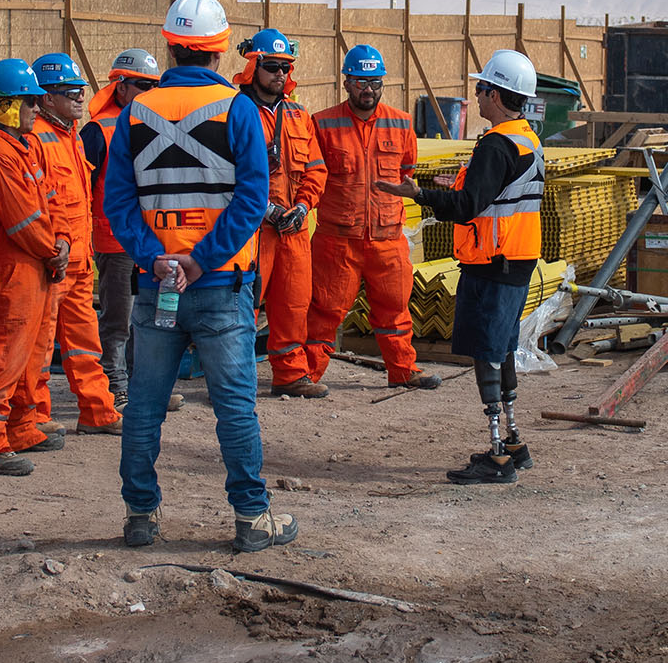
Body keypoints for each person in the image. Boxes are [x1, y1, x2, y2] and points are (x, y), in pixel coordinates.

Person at [103, 0, 297, 552]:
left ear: (169, 46)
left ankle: (141, 516)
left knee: (143, 406)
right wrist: (200, 259)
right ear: (219, 51)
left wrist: (155, 258)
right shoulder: (237, 110)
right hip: (219, 286)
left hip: (157, 286)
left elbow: (117, 202)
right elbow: (252, 200)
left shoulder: (135, 113)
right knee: (235, 407)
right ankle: (251, 520)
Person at [377, 50, 545, 485]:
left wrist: (416, 195)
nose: (476, 94)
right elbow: (495, 194)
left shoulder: (495, 144)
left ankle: (497, 456)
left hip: (491, 262)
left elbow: (471, 206)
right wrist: (448, 187)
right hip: (518, 259)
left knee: (486, 353)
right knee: (503, 348)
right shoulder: (527, 138)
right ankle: (512, 440)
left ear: (495, 94)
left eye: (480, 88)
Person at [302, 45, 440, 391]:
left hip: (388, 239)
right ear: (347, 82)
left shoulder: (401, 122)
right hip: (337, 239)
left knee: (394, 309)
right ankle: (306, 376)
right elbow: (314, 175)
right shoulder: (322, 124)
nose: (369, 90)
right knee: (324, 311)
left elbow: (407, 170)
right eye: (362, 82)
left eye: (376, 83)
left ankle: (403, 371)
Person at [0, 58, 65, 477]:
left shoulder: (23, 147)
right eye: (28, 103)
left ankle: (21, 428)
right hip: (15, 269)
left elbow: (51, 201)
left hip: (37, 267)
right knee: (3, 356)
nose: (36, 110)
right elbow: (21, 219)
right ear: (4, 105)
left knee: (33, 356)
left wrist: (61, 241)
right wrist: (51, 248)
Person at [231, 29, 327, 398]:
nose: (279, 75)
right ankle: (235, 381)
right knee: (243, 307)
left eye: (285, 67)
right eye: (271, 67)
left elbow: (316, 169)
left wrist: (303, 205)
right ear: (252, 66)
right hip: (250, 230)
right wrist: (266, 209)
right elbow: (228, 174)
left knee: (293, 304)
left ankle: (289, 374)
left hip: (293, 230)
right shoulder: (234, 111)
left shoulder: (300, 116)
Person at [30, 52, 121, 435]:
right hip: (49, 263)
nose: (81, 98)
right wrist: (53, 250)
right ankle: (34, 418)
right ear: (47, 98)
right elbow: (34, 205)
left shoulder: (72, 137)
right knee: (38, 347)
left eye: (81, 91)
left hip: (80, 262)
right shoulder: (34, 139)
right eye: (71, 92)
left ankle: (98, 412)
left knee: (86, 343)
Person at [80, 47, 165, 411]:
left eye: (152, 86)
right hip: (114, 242)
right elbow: (84, 191)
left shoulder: (155, 124)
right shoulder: (98, 131)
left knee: (146, 318)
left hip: (151, 241)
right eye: (141, 85)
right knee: (118, 319)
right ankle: (115, 385)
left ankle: (141, 385)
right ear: (120, 87)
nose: (148, 92)